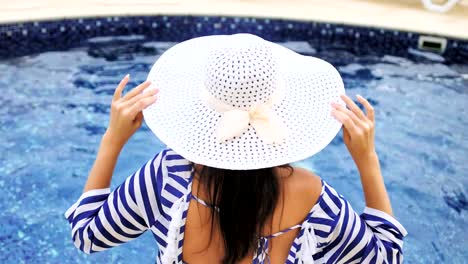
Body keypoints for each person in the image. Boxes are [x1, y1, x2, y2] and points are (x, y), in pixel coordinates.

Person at [64, 34, 407, 263]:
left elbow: (87, 235)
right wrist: (367, 160)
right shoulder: (313, 196)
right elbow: (387, 257)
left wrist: (112, 139)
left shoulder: (168, 176)